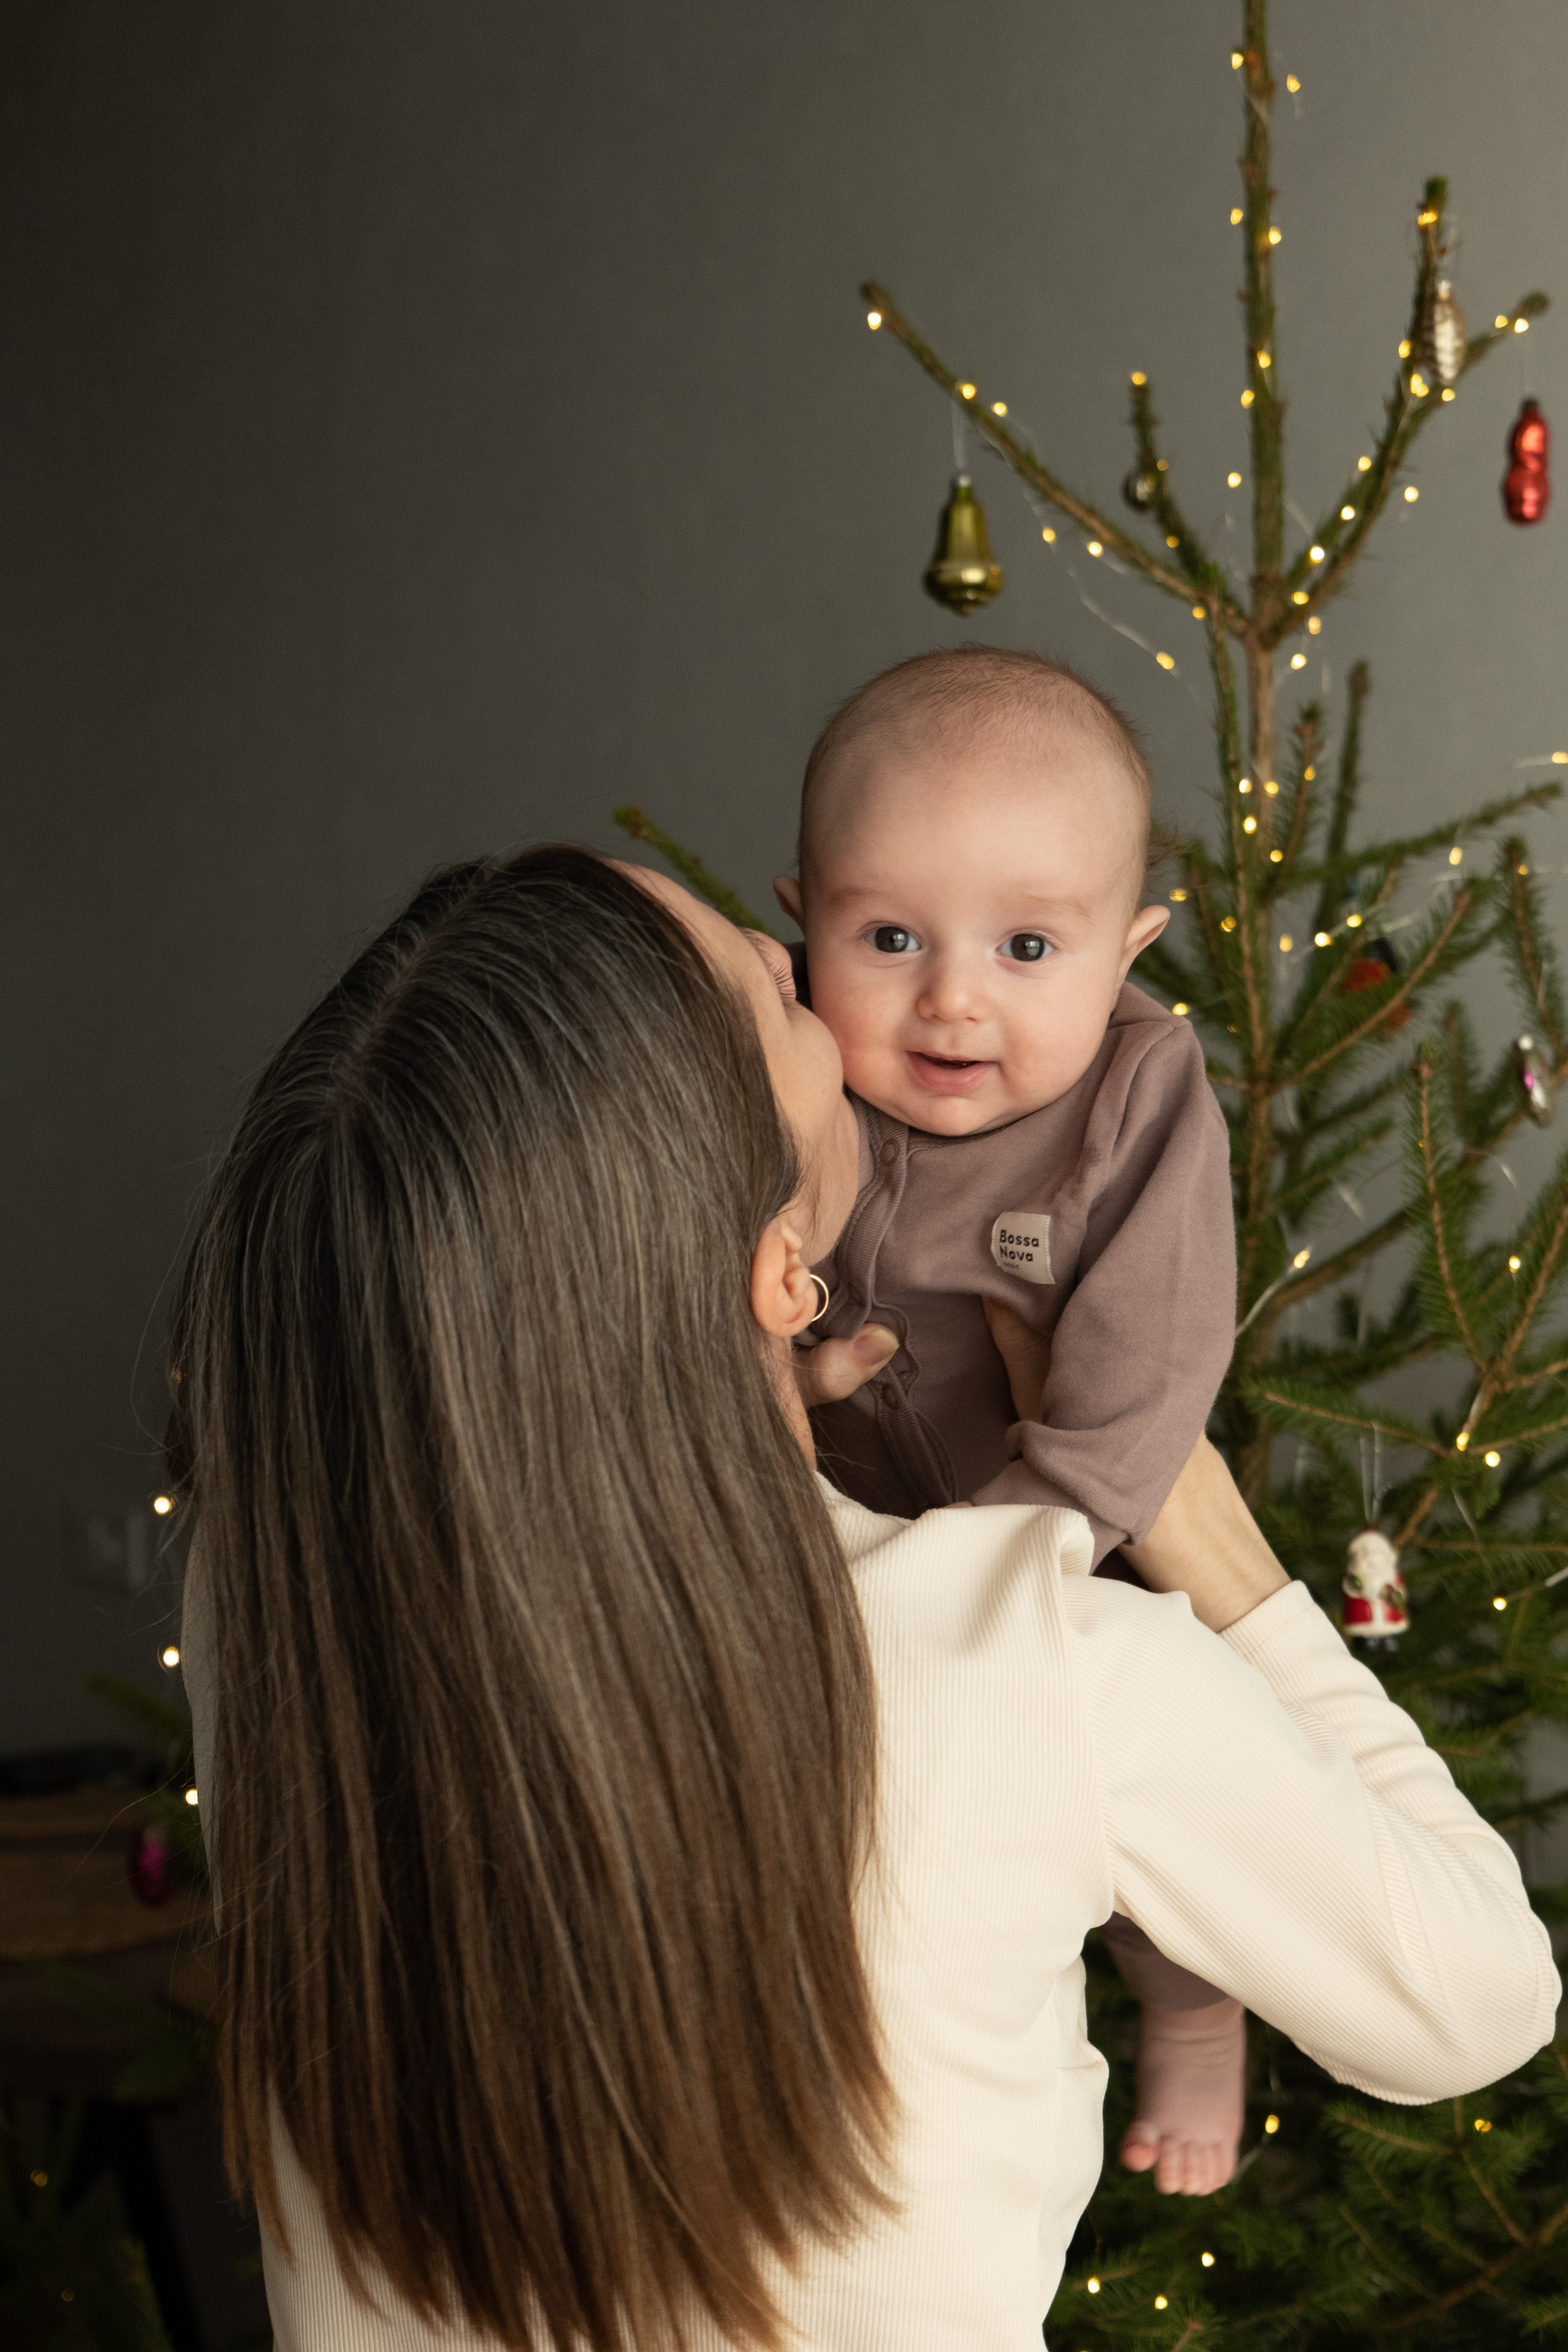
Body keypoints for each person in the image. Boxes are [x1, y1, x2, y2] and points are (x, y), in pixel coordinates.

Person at [173, 845, 1557, 2351]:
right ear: (781, 1273)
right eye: (781, 993)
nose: (839, 994)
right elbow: (1474, 2005)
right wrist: (1213, 1547)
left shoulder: (266, 1624)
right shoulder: (1032, 1656)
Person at [776, 644, 1243, 2187]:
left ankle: (1190, 2010)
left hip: (1071, 1525)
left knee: (1134, 1803)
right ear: (801, 929)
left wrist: (1024, 1539)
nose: (953, 997)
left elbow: (1148, 1359)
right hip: (833, 1537)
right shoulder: (780, 1084)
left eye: (1030, 944)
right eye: (890, 934)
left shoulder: (1134, 1088)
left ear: (1129, 950)